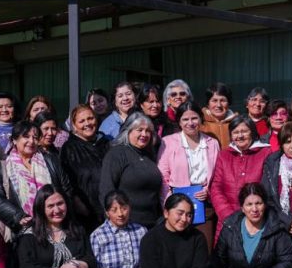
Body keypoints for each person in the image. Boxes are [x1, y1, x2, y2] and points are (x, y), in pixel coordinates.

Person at [0, 120, 71, 239]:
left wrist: (58, 209)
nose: (31, 141)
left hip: (54, 225)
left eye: (35, 137)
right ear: (14, 140)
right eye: (26, 137)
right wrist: (17, 216)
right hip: (23, 230)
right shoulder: (4, 167)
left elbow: (66, 188)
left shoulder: (50, 160)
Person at [157, 101, 220, 248]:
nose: (190, 123)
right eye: (185, 119)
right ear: (179, 122)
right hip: (177, 204)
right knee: (179, 248)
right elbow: (162, 177)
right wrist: (170, 202)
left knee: (203, 247)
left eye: (194, 118)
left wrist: (208, 191)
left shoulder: (212, 143)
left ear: (201, 119)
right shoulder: (168, 142)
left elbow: (217, 175)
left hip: (203, 205)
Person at [209, 116, 271, 242]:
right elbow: (216, 187)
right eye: (236, 132)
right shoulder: (224, 155)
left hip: (256, 218)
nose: (240, 136)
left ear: (253, 133)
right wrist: (228, 215)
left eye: (244, 131)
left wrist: (253, 213)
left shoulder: (265, 153)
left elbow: (269, 187)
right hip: (227, 220)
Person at [99, 112, 162, 228]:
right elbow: (106, 189)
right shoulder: (117, 154)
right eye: (140, 130)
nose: (144, 134)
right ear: (128, 131)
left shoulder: (150, 155)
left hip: (152, 223)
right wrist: (113, 220)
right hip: (126, 224)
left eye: (148, 131)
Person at [60, 104, 110, 231]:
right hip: (86, 212)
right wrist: (78, 204)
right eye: (81, 121)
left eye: (90, 118)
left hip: (111, 209)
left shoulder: (107, 143)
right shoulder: (69, 148)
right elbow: (68, 182)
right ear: (74, 126)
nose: (87, 123)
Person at [201, 82, 237, 149]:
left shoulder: (237, 123)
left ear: (229, 103)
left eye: (223, 100)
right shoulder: (200, 123)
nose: (218, 105)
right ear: (208, 104)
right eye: (214, 100)